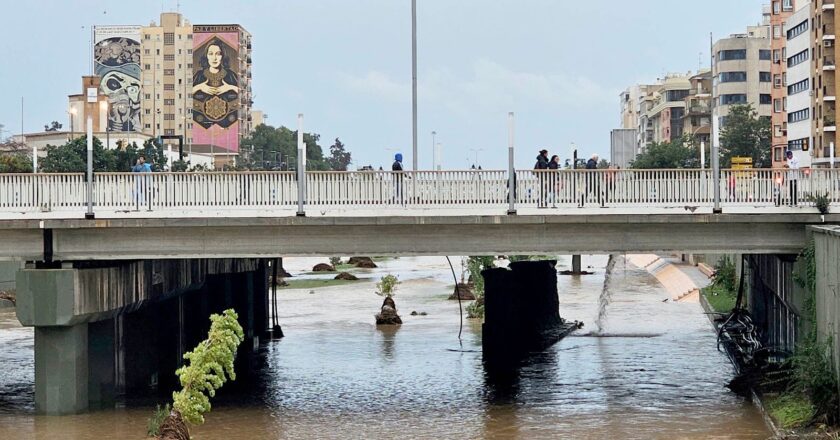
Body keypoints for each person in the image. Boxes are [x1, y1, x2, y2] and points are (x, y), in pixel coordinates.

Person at [192, 38, 240, 130]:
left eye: (218, 54)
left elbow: (243, 94)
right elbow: (185, 96)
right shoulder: (199, 76)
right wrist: (200, 87)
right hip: (202, 122)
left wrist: (229, 87)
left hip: (227, 122)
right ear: (207, 56)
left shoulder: (230, 75)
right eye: (211, 54)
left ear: (222, 56)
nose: (214, 58)